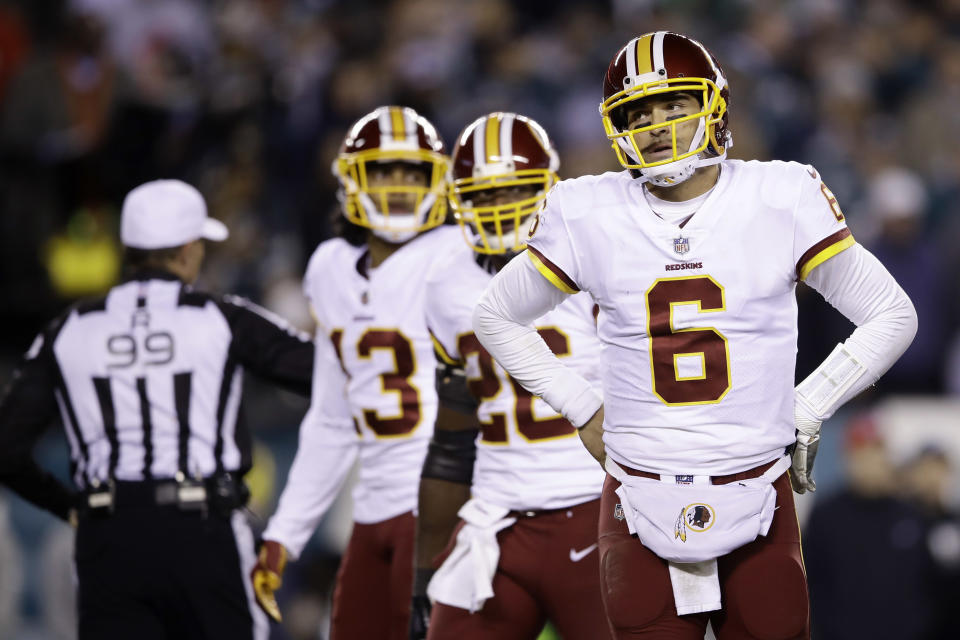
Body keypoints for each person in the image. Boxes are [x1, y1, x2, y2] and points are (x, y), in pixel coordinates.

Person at [471, 31, 918, 640]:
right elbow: (495, 314)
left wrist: (807, 407)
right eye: (638, 113)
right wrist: (580, 406)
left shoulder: (779, 195)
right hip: (637, 492)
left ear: (713, 106)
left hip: (756, 485)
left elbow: (891, 313)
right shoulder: (587, 211)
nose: (655, 125)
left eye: (673, 105)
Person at [0, 179, 314, 640]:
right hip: (201, 531)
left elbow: (6, 448)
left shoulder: (68, 328)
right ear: (188, 249)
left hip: (109, 536)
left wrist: (67, 505)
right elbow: (322, 372)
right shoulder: (221, 317)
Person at [251, 105, 459, 640]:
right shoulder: (330, 269)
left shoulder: (457, 255)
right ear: (351, 182)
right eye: (383, 171)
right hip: (373, 505)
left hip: (447, 499)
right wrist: (286, 532)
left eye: (412, 172)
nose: (397, 187)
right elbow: (331, 418)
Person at [410, 112, 610, 640]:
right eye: (485, 195)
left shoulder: (593, 260)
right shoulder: (445, 282)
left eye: (515, 191)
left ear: (548, 186)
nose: (501, 209)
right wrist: (424, 569)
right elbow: (454, 432)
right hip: (497, 521)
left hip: (597, 508)